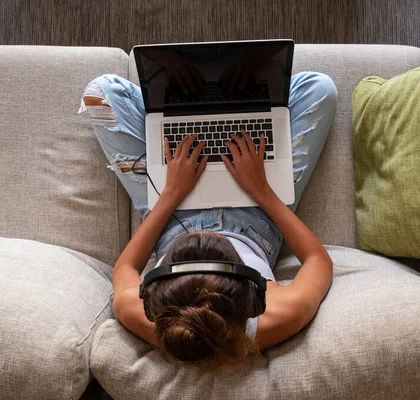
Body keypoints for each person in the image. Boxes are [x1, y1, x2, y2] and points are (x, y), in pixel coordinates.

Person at [80, 70, 337, 370]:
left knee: (99, 93)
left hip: (173, 213)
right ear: (254, 296)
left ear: (155, 294)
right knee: (320, 88)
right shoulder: (276, 315)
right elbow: (318, 261)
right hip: (257, 216)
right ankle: (228, 98)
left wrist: (172, 194)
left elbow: (125, 268)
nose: (208, 234)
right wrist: (261, 189)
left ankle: (190, 105)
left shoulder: (145, 314)